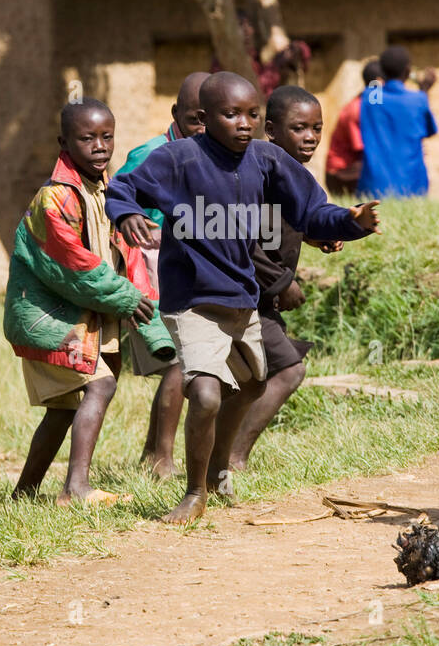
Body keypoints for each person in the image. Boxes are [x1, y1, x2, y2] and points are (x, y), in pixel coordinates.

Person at [107, 72, 381, 524]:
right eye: (231, 114)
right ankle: (195, 492)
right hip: (192, 301)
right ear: (205, 117)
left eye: (252, 114)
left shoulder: (266, 160)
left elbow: (310, 210)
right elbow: (123, 187)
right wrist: (128, 213)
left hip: (241, 301)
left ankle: (217, 471)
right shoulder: (180, 159)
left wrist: (349, 222)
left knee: (253, 383)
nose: (244, 123)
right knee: (208, 395)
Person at [4, 98, 174, 506]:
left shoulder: (106, 190)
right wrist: (127, 299)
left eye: (107, 136)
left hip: (86, 316)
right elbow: (74, 267)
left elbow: (127, 257)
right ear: (64, 141)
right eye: (87, 138)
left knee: (63, 409)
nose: (100, 146)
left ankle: (23, 494)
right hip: (49, 317)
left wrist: (149, 324)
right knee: (101, 384)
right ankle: (75, 487)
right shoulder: (55, 199)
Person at [229, 86, 343, 470]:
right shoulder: (260, 177)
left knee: (250, 380)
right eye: (299, 128)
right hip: (246, 295)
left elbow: (276, 229)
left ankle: (220, 455)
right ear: (272, 130)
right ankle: (233, 457)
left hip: (259, 298)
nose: (310, 137)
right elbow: (243, 241)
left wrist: (314, 236)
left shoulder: (291, 175)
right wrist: (282, 283)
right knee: (289, 370)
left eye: (316, 128)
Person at [112, 71, 208, 479]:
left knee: (185, 361)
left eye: (212, 118)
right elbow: (118, 199)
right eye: (195, 119)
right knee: (181, 361)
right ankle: (162, 458)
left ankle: (153, 451)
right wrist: (134, 217)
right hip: (147, 273)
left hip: (189, 272)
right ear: (175, 114)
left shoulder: (215, 155)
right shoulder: (152, 153)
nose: (202, 128)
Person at [356, 45, 439, 198]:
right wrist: (425, 90)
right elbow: (430, 130)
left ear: (382, 71)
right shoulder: (418, 99)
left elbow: (374, 87)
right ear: (407, 71)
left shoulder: (371, 97)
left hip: (374, 186)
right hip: (412, 186)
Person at [324, 59, 379, 196]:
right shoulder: (356, 109)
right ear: (378, 82)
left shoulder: (369, 105)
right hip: (340, 174)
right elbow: (361, 149)